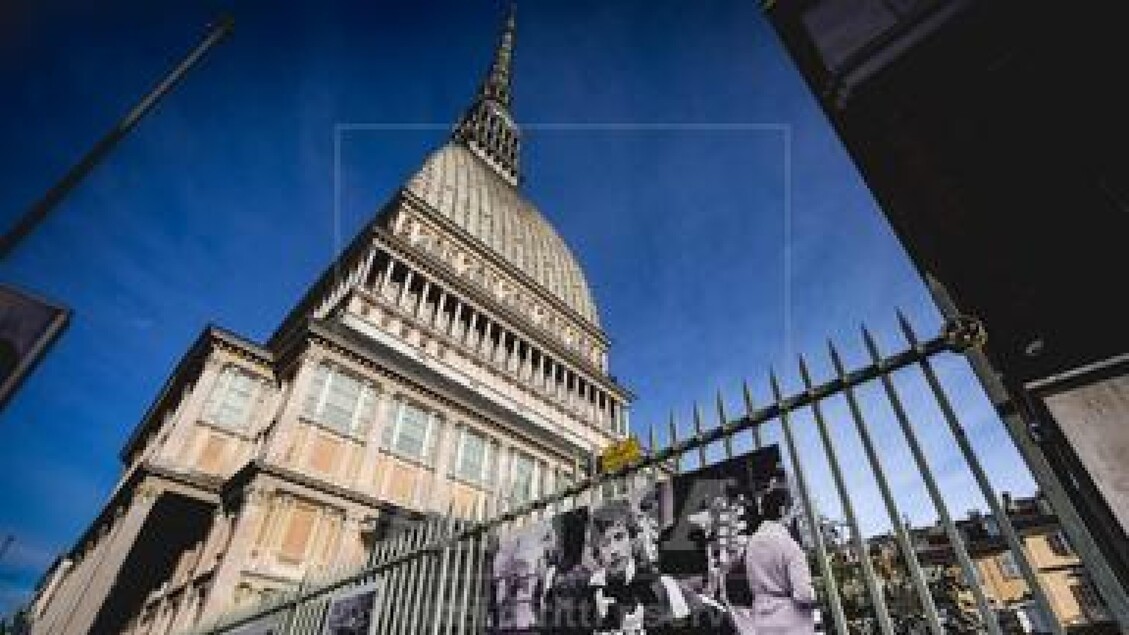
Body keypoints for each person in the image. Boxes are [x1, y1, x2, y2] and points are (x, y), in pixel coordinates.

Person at [585, 499, 738, 635]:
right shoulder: (590, 594)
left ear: (632, 539)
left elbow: (719, 620)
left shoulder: (662, 585)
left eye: (619, 537)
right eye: (605, 543)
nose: (613, 550)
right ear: (597, 551)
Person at [740, 481, 817, 634]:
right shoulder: (789, 545)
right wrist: (819, 593)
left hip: (761, 622)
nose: (792, 515)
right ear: (782, 510)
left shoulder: (751, 544)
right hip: (792, 624)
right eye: (791, 510)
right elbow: (803, 595)